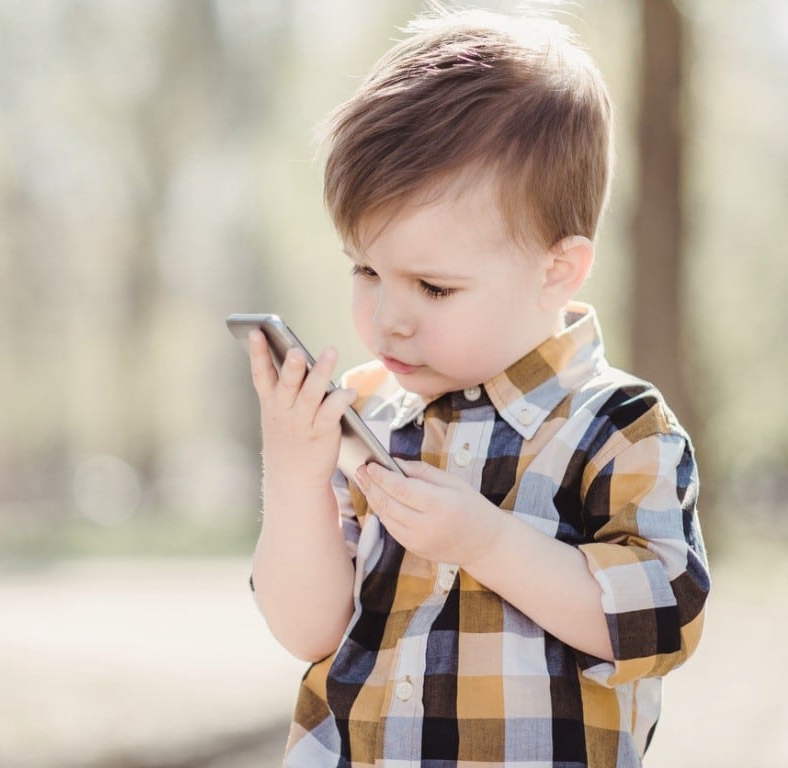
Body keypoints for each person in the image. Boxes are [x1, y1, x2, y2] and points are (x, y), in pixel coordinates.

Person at [242, 7, 710, 768]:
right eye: (366, 270)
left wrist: (485, 541)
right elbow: (310, 631)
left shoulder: (618, 426)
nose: (388, 319)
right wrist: (295, 472)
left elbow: (664, 622)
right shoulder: (368, 416)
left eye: (432, 286)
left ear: (557, 270)